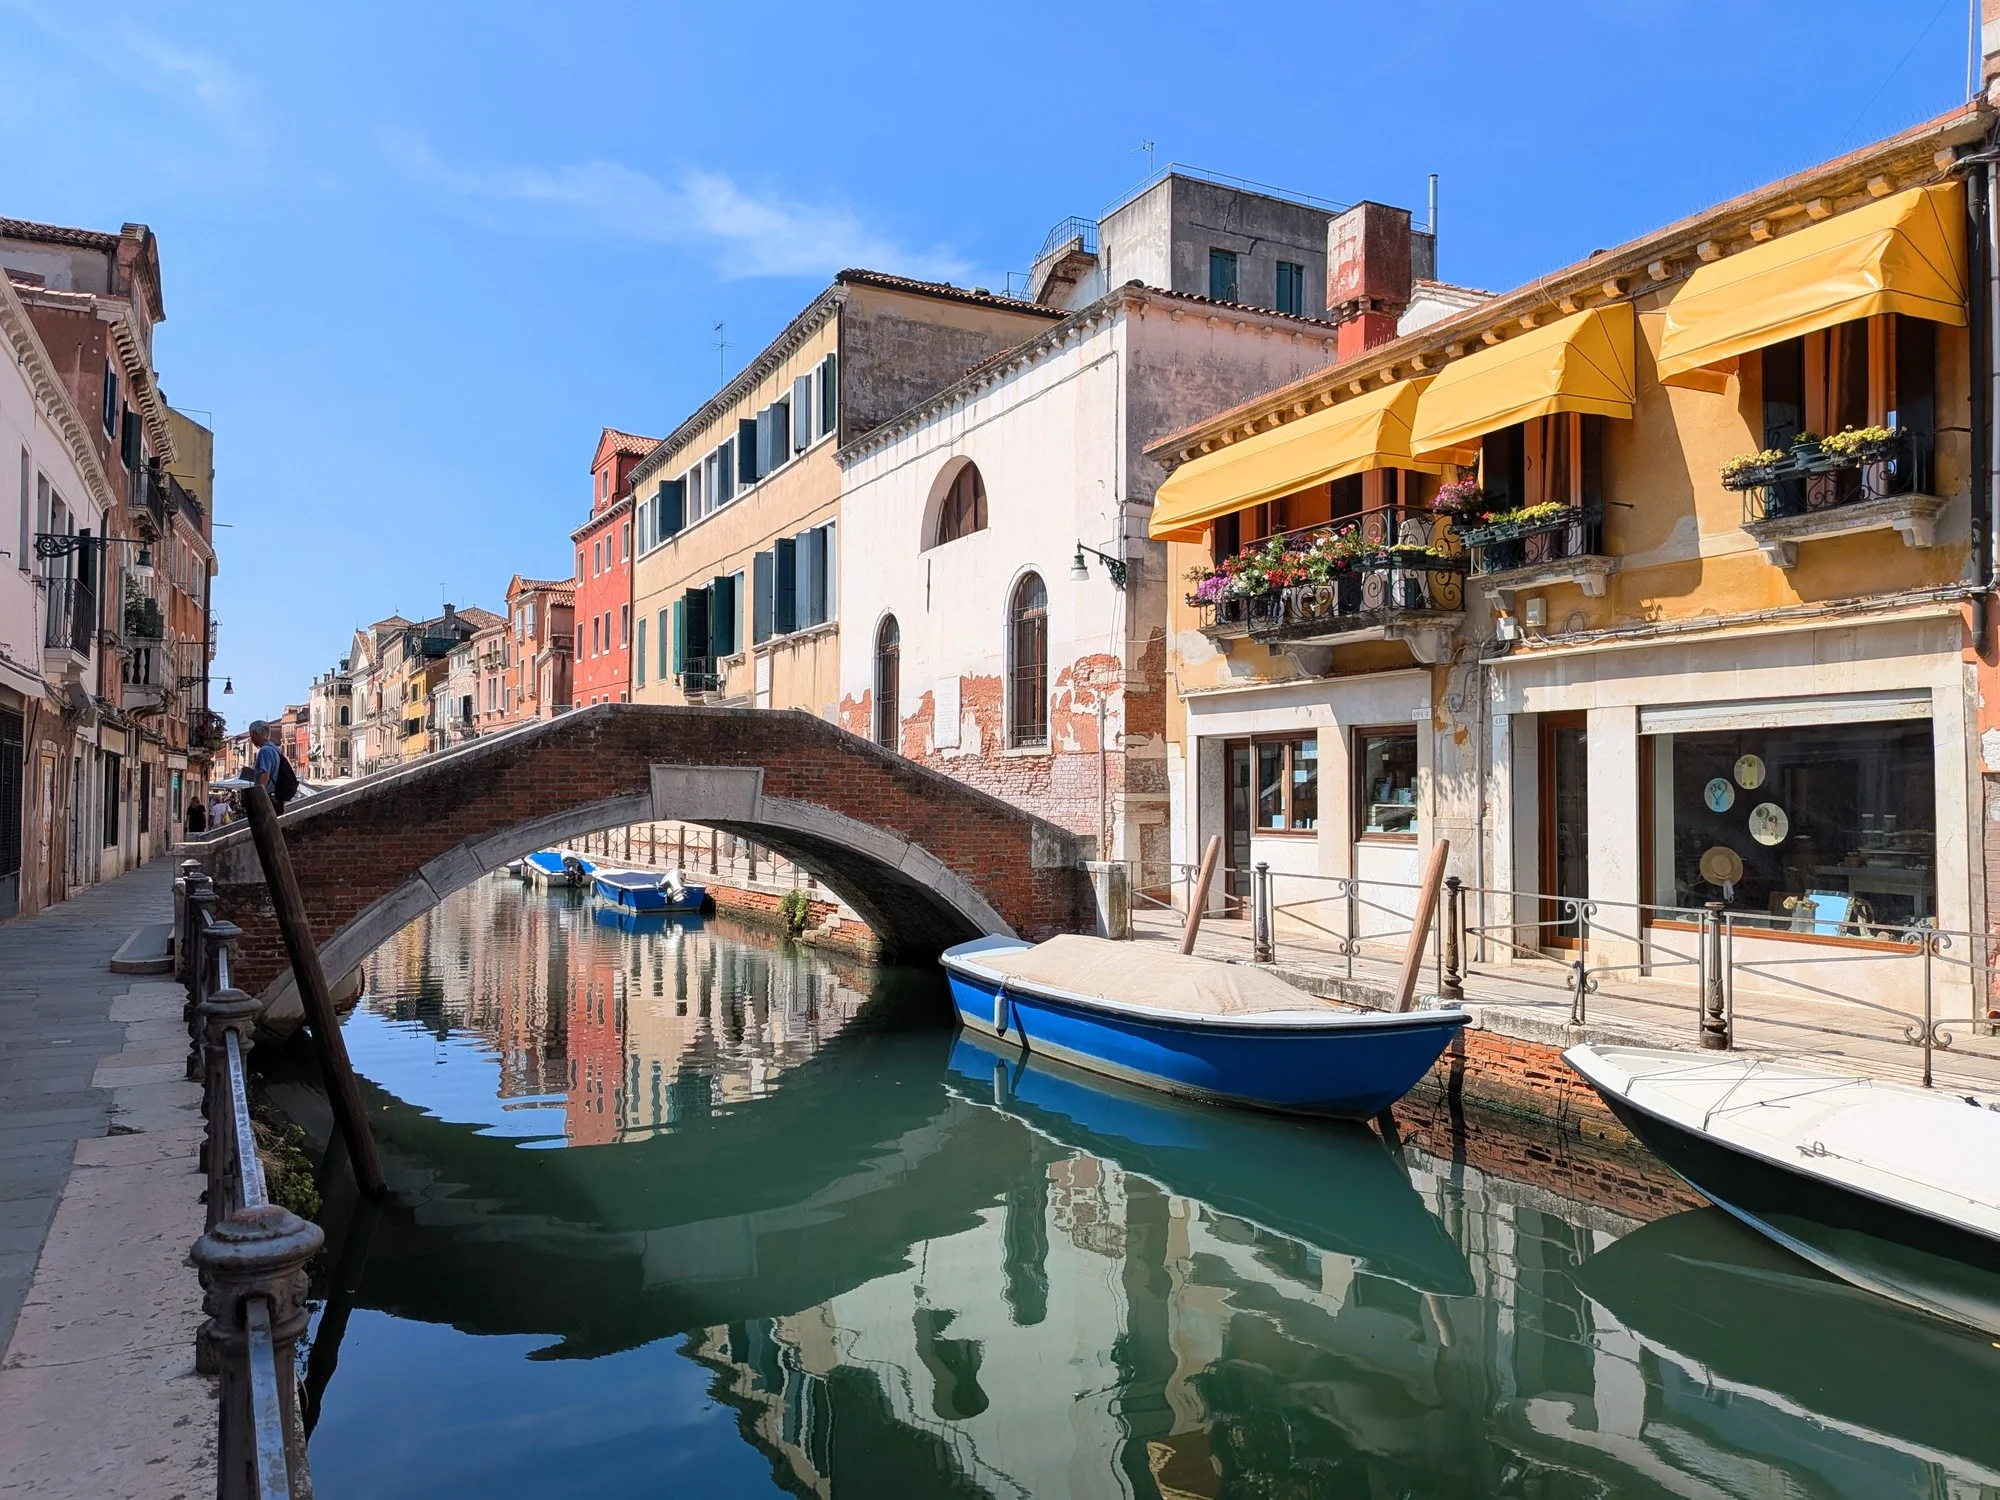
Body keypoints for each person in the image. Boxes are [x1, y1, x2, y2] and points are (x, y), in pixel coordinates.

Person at [247, 720, 296, 814]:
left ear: (255, 733)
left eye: (251, 736)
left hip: (268, 798)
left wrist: (258, 798)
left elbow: (265, 775)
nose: (252, 739)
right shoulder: (275, 749)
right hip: (276, 797)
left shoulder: (264, 751)